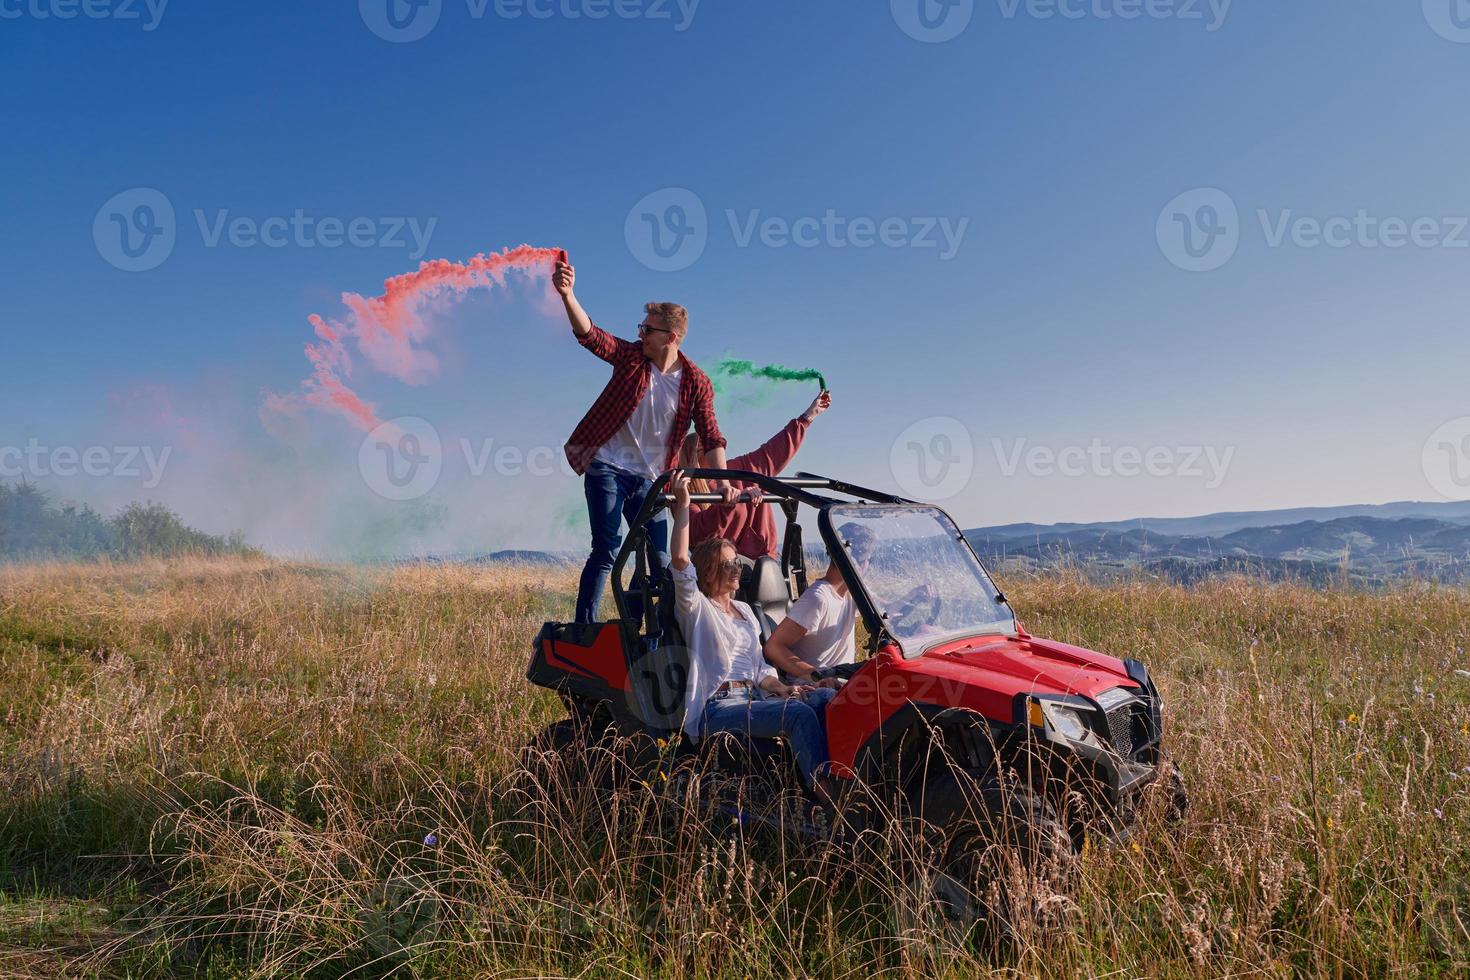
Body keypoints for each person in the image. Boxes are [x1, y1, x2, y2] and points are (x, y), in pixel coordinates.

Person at [554, 256, 738, 624]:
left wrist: (724, 482)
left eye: (647, 328)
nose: (640, 333)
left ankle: (638, 629)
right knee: (606, 548)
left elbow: (711, 436)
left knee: (658, 559)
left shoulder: (695, 382)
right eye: (641, 326)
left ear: (670, 338)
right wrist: (567, 294)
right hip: (607, 465)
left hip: (652, 480)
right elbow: (592, 337)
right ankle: (584, 629)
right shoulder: (632, 359)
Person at [666, 470, 835, 793]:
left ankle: (845, 776)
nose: (737, 569)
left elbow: (760, 669)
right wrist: (684, 506)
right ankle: (826, 793)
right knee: (797, 716)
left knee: (825, 697)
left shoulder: (745, 611)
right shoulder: (696, 608)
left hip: (754, 696)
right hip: (718, 708)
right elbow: (679, 560)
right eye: (727, 565)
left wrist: (784, 689)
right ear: (709, 572)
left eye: (736, 563)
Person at [764, 523, 938, 682]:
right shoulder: (818, 598)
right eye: (865, 559)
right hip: (818, 686)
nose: (868, 564)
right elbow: (774, 647)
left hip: (844, 678)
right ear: (849, 562)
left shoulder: (853, 591)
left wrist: (914, 595)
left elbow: (885, 611)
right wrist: (816, 676)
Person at [682, 389, 833, 561]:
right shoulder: (686, 491)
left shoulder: (740, 468)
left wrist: (808, 416)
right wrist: (732, 501)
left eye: (721, 444)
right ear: (696, 456)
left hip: (764, 561)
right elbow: (696, 532)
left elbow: (773, 451)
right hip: (721, 568)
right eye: (712, 446)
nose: (721, 448)